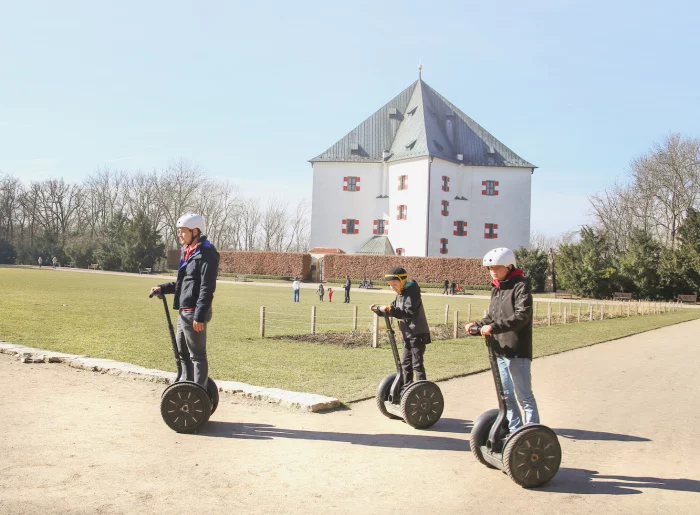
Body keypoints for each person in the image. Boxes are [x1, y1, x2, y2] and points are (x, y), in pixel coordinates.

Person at [465, 247, 539, 434]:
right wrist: (477, 324)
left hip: (516, 349)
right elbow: (492, 316)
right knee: (506, 395)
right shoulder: (497, 288)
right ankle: (515, 431)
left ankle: (531, 432)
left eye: (497, 268)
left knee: (524, 396)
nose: (493, 272)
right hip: (499, 349)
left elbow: (522, 317)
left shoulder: (520, 286)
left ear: (509, 266)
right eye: (490, 269)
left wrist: (494, 327)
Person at [150, 213, 219, 389]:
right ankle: (185, 386)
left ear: (195, 231)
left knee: (197, 355)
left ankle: (198, 393)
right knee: (182, 352)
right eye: (179, 232)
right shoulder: (189, 252)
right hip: (185, 310)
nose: (180, 235)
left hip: (194, 311)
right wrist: (163, 288)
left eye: (183, 232)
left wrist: (200, 315)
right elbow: (184, 283)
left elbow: (207, 287)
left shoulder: (206, 253)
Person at [370, 267, 431, 388]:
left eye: (395, 284)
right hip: (407, 336)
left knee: (416, 365)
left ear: (403, 281)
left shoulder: (412, 294)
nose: (393, 287)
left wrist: (391, 310)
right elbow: (392, 309)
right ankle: (407, 388)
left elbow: (408, 312)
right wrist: (379, 311)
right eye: (390, 285)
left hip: (417, 335)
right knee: (405, 364)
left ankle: (422, 390)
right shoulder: (400, 295)